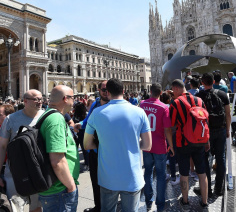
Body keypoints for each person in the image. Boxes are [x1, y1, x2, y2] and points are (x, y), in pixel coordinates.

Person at [84, 78, 152, 212]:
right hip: (132, 177)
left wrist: (103, 144)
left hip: (108, 178)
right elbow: (147, 145)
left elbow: (87, 145)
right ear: (124, 91)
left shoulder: (97, 113)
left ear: (107, 92)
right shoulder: (139, 112)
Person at [0, 90, 44, 212]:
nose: (40, 101)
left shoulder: (45, 117)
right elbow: (2, 147)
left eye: (41, 98)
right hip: (15, 174)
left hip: (38, 172)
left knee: (37, 207)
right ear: (25, 101)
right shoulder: (11, 119)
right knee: (16, 207)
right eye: (36, 99)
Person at [38, 85, 80, 212]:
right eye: (73, 98)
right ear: (65, 99)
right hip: (60, 190)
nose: (75, 101)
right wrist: (71, 185)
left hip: (57, 188)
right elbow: (57, 160)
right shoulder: (56, 119)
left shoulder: (50, 115)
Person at [170, 79, 209, 211]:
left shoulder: (175, 103)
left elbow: (172, 125)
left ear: (176, 89)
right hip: (200, 141)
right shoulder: (200, 100)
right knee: (202, 173)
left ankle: (185, 202)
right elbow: (205, 122)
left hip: (183, 143)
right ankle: (204, 202)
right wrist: (207, 141)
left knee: (184, 173)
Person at [75, 81, 109, 212]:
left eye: (108, 89)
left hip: (108, 149)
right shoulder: (95, 103)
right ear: (99, 90)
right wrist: (80, 124)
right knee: (95, 180)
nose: (106, 92)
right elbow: (89, 120)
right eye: (104, 89)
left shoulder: (114, 104)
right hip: (95, 150)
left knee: (109, 181)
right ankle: (98, 206)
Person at [140, 83, 174, 212]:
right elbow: (167, 130)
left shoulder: (142, 104)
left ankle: (148, 200)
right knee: (160, 175)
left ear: (150, 91)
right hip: (159, 146)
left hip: (146, 145)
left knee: (147, 171)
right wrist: (171, 145)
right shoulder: (164, 107)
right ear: (161, 93)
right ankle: (160, 204)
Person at [197, 73, 231, 196]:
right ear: (213, 81)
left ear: (202, 83)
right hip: (221, 129)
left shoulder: (199, 96)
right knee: (221, 158)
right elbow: (228, 114)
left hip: (206, 132)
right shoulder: (222, 94)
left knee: (206, 159)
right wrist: (227, 129)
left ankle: (207, 190)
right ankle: (218, 189)